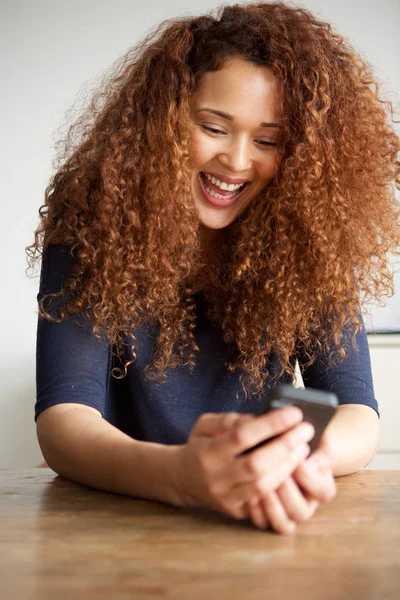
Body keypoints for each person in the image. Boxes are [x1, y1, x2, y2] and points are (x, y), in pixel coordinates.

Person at [26, 1, 399, 535]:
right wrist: (181, 475)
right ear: (165, 122)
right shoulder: (93, 217)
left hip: (257, 508)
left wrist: (279, 465)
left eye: (268, 140)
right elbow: (64, 420)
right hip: (125, 504)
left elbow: (358, 413)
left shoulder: (312, 240)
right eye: (214, 127)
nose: (238, 161)